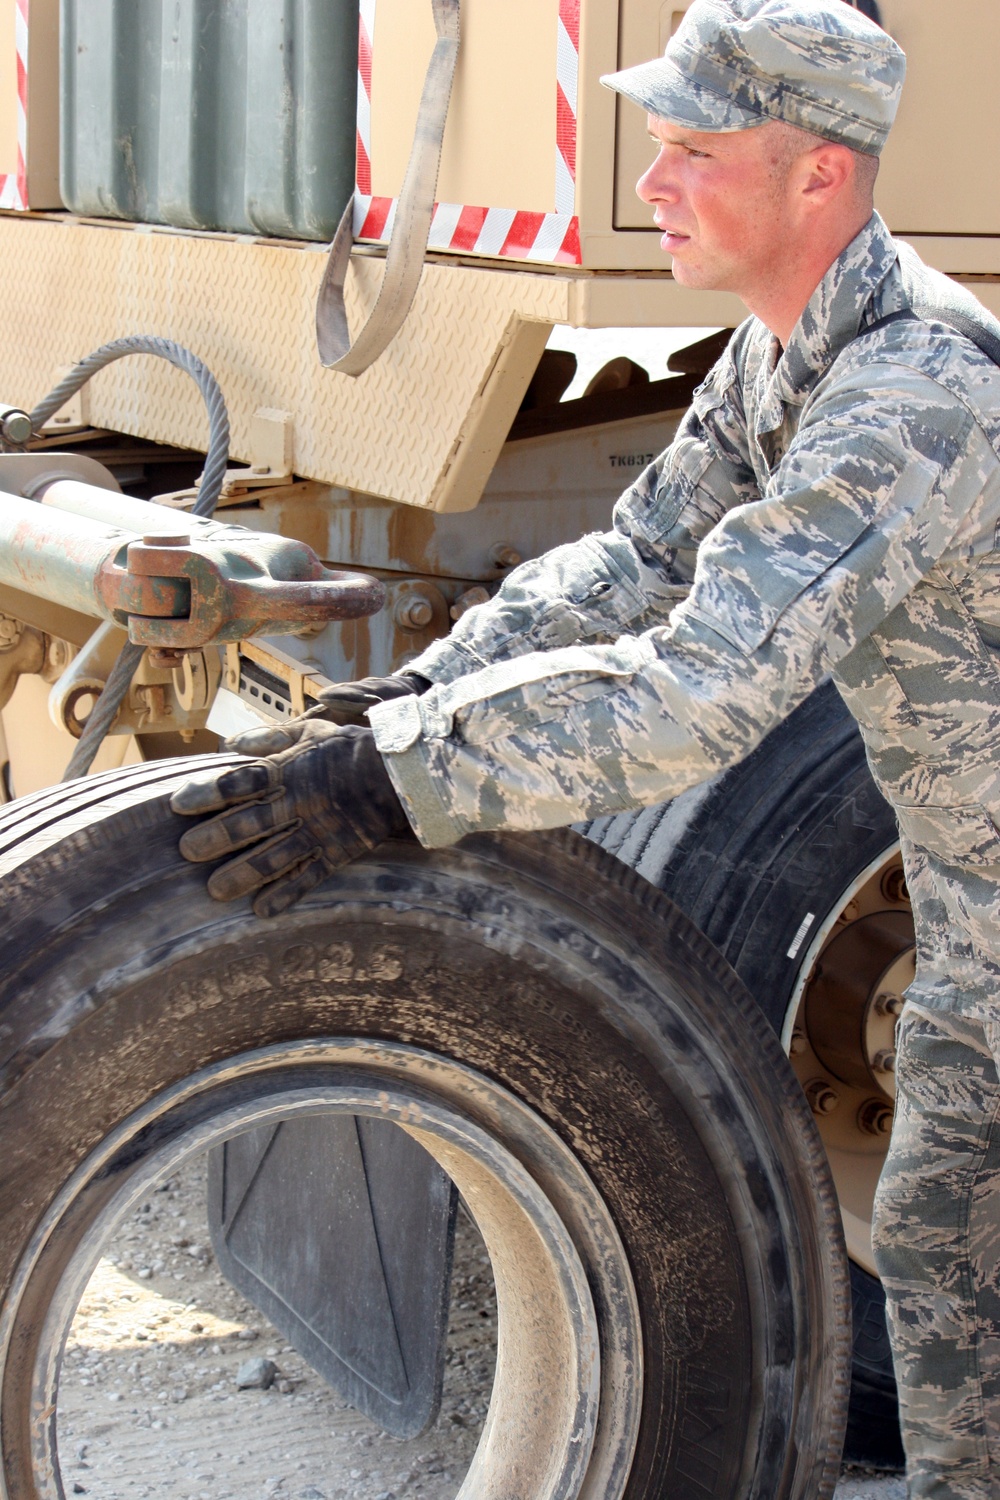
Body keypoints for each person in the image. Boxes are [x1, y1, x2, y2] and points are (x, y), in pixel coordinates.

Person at [171, 1, 1000, 1494]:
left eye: (691, 151)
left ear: (819, 177)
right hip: (980, 929)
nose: (649, 185)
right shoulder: (786, 363)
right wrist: (401, 704)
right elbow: (626, 568)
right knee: (947, 1257)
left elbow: (698, 691)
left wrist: (401, 783)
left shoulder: (919, 397)